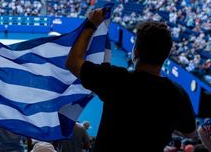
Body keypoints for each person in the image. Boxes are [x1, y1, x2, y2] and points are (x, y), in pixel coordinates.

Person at [66, 9, 196, 152]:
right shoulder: (178, 94)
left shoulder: (117, 79)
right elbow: (189, 132)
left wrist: (91, 24)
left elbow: (73, 63)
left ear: (136, 52)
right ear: (165, 56)